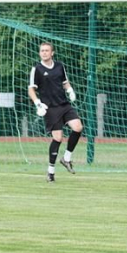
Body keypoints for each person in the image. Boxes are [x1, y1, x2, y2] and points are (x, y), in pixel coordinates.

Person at [28, 41, 83, 183]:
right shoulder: (37, 69)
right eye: (42, 50)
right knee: (58, 138)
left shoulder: (59, 66)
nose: (44, 52)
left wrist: (70, 90)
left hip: (64, 105)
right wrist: (37, 103)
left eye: (47, 50)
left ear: (52, 53)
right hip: (50, 108)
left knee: (78, 127)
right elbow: (31, 89)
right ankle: (50, 172)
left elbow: (65, 82)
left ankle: (66, 158)